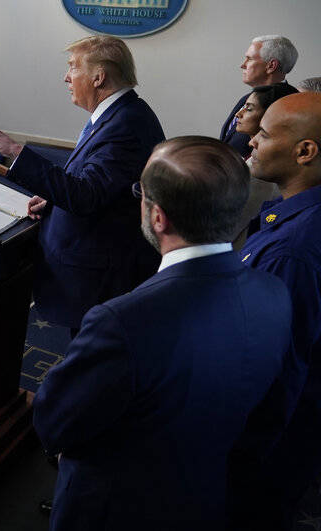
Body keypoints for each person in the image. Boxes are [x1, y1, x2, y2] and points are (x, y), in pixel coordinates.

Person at [33, 137, 291, 530]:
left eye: (141, 193)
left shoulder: (121, 322)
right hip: (204, 497)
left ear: (158, 218)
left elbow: (54, 423)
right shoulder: (275, 293)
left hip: (112, 509)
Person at [0, 35, 164, 333]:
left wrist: (15, 151)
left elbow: (87, 196)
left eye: (73, 67)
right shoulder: (118, 115)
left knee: (97, 361)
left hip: (100, 275)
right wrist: (51, 199)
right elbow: (99, 185)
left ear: (98, 77)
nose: (66, 77)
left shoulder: (125, 124)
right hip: (95, 263)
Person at [233, 92, 321, 528]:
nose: (250, 140)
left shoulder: (293, 250)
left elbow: (279, 365)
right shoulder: (293, 217)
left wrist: (238, 449)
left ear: (305, 151)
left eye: (264, 134)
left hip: (267, 444)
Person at [230, 82, 299, 247]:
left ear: (271, 114)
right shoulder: (252, 153)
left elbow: (226, 228)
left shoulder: (263, 169)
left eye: (249, 108)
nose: (238, 114)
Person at [220, 35, 298, 159]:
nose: (243, 65)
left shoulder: (286, 106)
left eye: (249, 59)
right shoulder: (246, 99)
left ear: (271, 65)